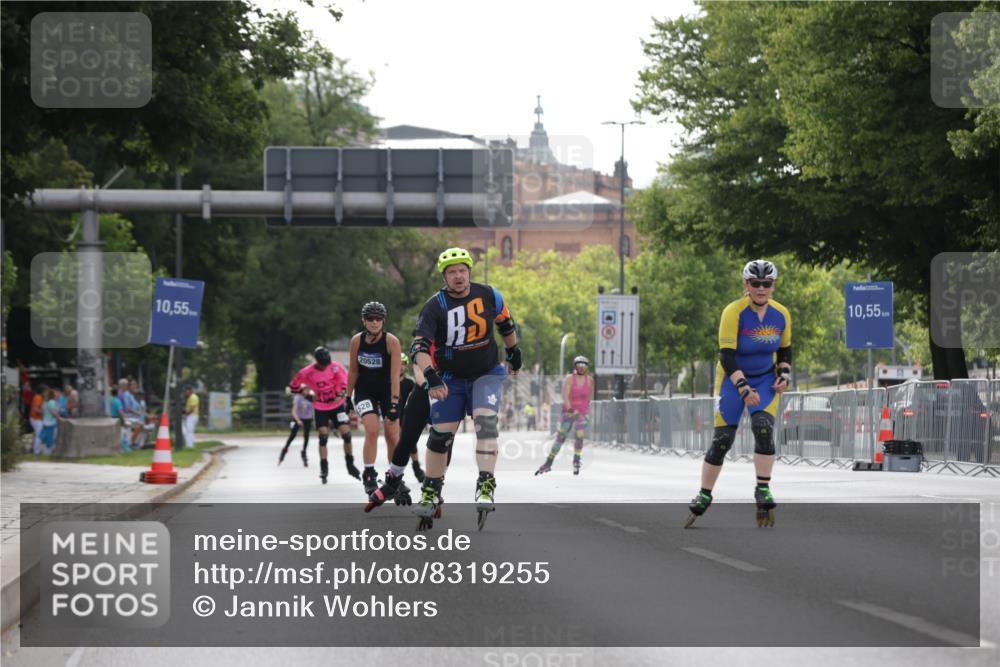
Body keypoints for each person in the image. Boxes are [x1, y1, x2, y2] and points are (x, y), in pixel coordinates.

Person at [410, 247, 521, 530]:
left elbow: (506, 325)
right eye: (452, 272)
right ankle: (431, 490)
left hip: (486, 373)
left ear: (469, 271)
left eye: (462, 270)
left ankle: (485, 483)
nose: (458, 276)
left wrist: (514, 352)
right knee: (439, 438)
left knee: (485, 423)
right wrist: (432, 376)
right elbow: (419, 347)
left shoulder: (489, 295)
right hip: (449, 377)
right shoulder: (435, 306)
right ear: (444, 276)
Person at [685, 260, 792, 528]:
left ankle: (763, 488)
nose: (761, 288)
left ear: (773, 286)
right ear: (746, 285)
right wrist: (744, 388)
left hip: (765, 380)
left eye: (766, 284)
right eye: (755, 284)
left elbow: (786, 350)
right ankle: (704, 493)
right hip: (733, 380)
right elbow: (726, 356)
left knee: (763, 427)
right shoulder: (733, 312)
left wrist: (784, 374)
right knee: (722, 440)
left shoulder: (781, 314)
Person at [347, 302, 402, 497]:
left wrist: (395, 403)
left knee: (392, 435)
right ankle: (369, 474)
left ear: (383, 321)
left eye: (378, 319)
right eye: (370, 319)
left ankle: (395, 476)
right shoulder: (356, 341)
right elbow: (353, 371)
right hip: (364, 391)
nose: (374, 322)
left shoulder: (391, 341)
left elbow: (395, 376)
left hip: (388, 392)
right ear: (364, 321)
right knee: (371, 429)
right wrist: (347, 396)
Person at [288, 347, 359, 484]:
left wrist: (341, 394)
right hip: (320, 406)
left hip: (337, 405)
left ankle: (350, 463)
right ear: (317, 362)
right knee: (323, 436)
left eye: (327, 363)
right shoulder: (307, 371)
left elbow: (346, 383)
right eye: (322, 364)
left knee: (347, 435)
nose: (325, 366)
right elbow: (293, 386)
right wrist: (307, 395)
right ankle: (324, 468)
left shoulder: (335, 367)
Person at [536, 355, 594, 476]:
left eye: (584, 365)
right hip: (569, 411)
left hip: (582, 413)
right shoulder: (569, 378)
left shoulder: (590, 380)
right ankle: (548, 463)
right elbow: (565, 396)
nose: (582, 368)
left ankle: (576, 459)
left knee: (580, 435)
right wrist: (571, 409)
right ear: (575, 366)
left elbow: (589, 398)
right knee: (561, 438)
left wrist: (585, 413)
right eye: (579, 365)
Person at [280, 390, 314, 466]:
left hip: (307, 419)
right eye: (304, 389)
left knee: (306, 436)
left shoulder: (311, 396)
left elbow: (315, 408)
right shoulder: (298, 397)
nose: (306, 391)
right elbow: (294, 411)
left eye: (307, 389)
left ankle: (304, 452)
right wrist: (298, 420)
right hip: (298, 418)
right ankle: (284, 450)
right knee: (292, 435)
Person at [40, 388, 61, 454]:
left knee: (45, 437)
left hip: (45, 421)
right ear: (53, 395)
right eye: (55, 394)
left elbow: (43, 412)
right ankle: (48, 451)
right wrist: (59, 418)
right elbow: (53, 412)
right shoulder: (52, 402)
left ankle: (43, 451)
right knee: (51, 437)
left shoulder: (45, 402)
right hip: (51, 422)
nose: (57, 395)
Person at [29, 384, 46, 454]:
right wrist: (44, 412)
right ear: (42, 391)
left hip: (35, 418)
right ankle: (36, 451)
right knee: (39, 435)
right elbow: (36, 409)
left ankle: (33, 448)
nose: (46, 393)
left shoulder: (38, 397)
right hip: (36, 418)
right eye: (45, 391)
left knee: (36, 434)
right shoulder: (38, 397)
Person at [182, 386, 200, 450]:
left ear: (189, 390)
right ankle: (191, 445)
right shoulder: (191, 397)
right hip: (192, 416)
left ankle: (189, 446)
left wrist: (186, 414)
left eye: (186, 391)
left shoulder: (193, 397)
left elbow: (192, 408)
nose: (185, 392)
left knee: (189, 431)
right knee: (190, 431)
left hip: (192, 416)